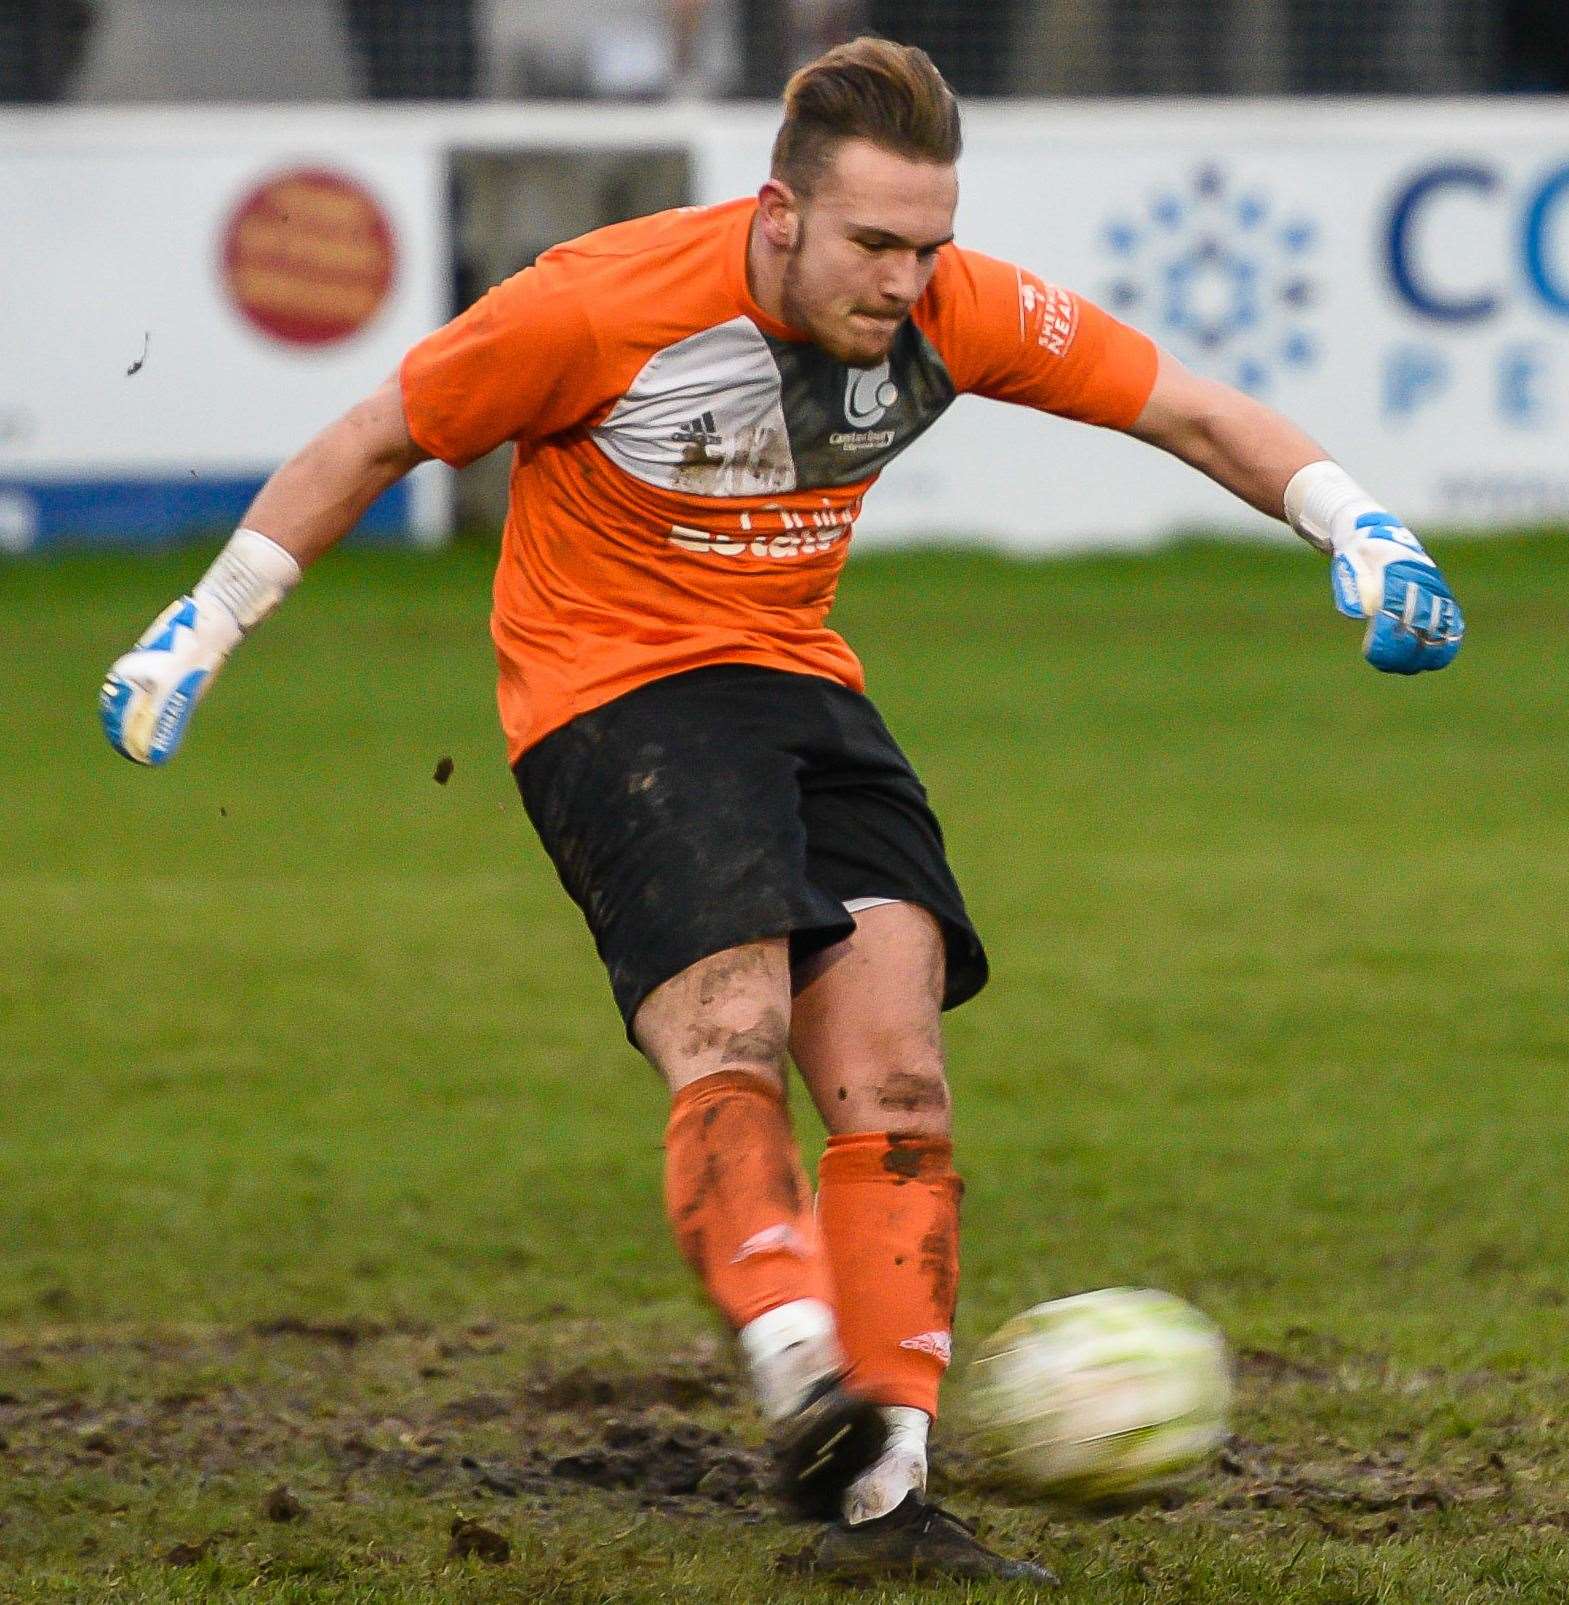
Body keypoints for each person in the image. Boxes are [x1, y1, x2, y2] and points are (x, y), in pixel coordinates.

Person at [99, 36, 1463, 1584]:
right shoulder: (597, 303)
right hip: (612, 701)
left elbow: (1192, 412)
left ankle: (882, 1504)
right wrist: (202, 628)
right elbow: (373, 438)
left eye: (928, 243)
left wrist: (1364, 528)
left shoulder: (957, 311)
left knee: (898, 1077)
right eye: (874, 242)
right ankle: (801, 1371)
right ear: (779, 213)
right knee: (731, 1026)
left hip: (804, 685)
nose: (904, 280)